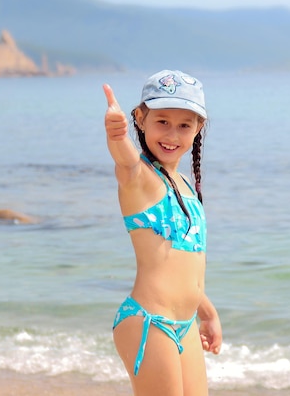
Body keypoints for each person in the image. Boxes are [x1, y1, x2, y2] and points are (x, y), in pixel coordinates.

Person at [103, 69, 222, 396]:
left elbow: (182, 264)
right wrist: (116, 136)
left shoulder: (185, 186)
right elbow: (125, 163)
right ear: (140, 118)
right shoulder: (139, 178)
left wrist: (207, 313)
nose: (172, 134)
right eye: (162, 121)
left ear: (199, 127)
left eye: (184, 125)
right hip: (148, 321)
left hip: (184, 325)